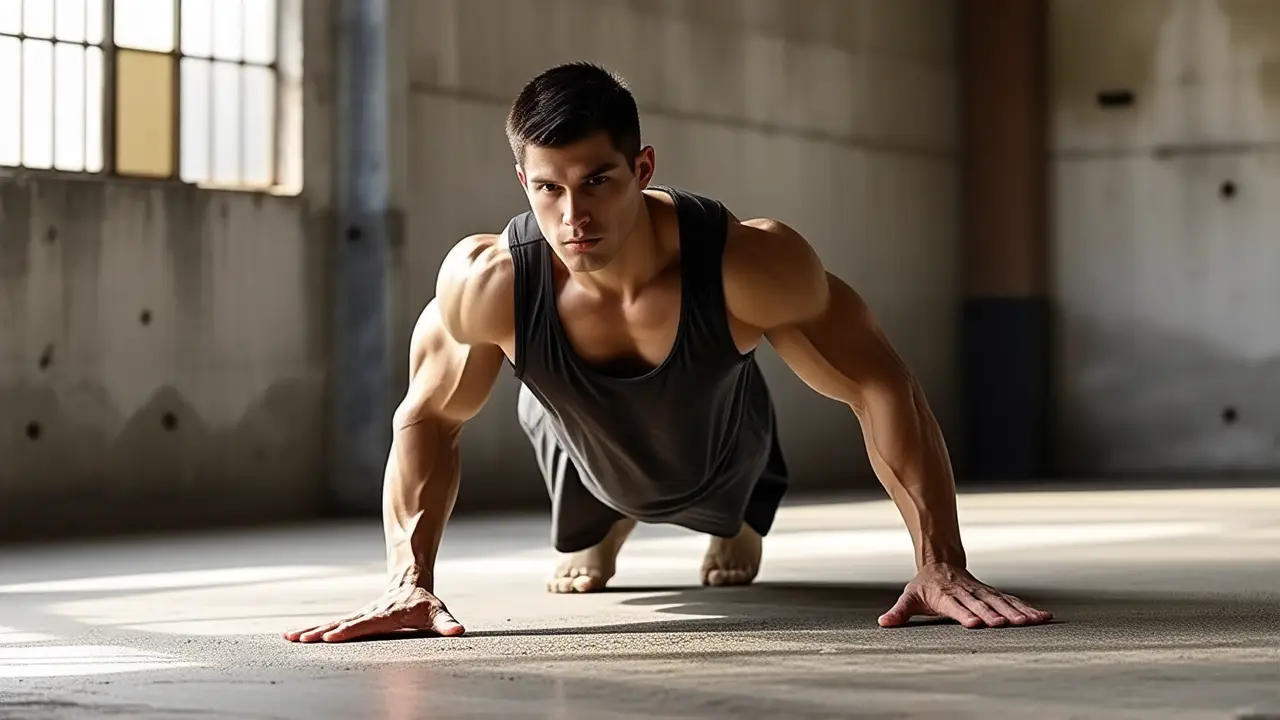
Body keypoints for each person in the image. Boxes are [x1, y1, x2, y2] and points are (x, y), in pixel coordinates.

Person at [284, 62, 1052, 644]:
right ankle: (604, 522)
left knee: (725, 438)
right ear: (522, 180)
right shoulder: (488, 282)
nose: (572, 215)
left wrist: (939, 559)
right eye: (547, 189)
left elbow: (883, 385)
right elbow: (424, 419)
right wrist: (406, 582)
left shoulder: (748, 264)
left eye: (597, 182)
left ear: (642, 169)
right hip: (581, 449)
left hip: (719, 443)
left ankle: (735, 518)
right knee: (539, 406)